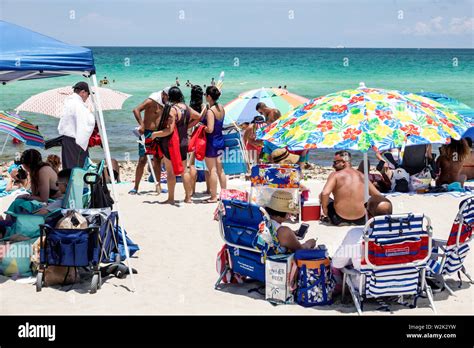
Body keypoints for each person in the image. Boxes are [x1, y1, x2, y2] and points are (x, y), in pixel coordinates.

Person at [152, 87, 201, 204]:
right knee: (184, 170)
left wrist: (155, 134)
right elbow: (199, 116)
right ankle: (188, 198)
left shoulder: (172, 110)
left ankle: (171, 198)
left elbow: (169, 130)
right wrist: (186, 127)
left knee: (170, 172)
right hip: (184, 142)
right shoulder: (186, 107)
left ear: (170, 96)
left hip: (172, 144)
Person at [332, 196, 393, 276]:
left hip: (366, 285)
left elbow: (337, 263)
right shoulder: (403, 236)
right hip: (404, 285)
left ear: (369, 215)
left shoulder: (356, 235)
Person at [320, 151, 381, 226]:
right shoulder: (361, 175)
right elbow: (377, 195)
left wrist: (325, 210)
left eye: (335, 162)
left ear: (343, 162)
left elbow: (325, 193)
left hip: (338, 218)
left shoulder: (335, 175)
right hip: (361, 219)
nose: (333, 165)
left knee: (321, 196)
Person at [130, 91, 165, 194]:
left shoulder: (165, 104)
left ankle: (158, 186)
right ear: (164, 94)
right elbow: (136, 110)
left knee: (158, 159)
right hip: (147, 133)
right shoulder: (151, 100)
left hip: (158, 134)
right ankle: (136, 187)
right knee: (142, 160)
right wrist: (141, 125)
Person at [58, 81, 96, 169]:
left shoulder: (69, 102)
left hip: (66, 139)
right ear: (83, 92)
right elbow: (88, 122)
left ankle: (69, 182)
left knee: (68, 167)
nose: (88, 96)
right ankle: (77, 183)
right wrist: (91, 114)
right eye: (88, 94)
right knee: (78, 168)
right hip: (75, 142)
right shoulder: (78, 105)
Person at [201, 86, 227, 203]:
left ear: (209, 97)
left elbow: (210, 129)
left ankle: (213, 196)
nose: (205, 96)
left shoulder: (211, 111)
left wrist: (202, 127)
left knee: (212, 170)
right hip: (220, 140)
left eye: (206, 95)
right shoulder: (221, 108)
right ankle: (224, 194)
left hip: (211, 142)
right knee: (220, 170)